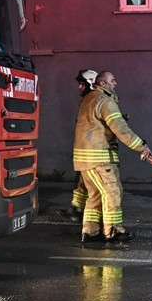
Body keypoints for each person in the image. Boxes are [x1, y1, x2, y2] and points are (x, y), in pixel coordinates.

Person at [72, 70, 152, 244]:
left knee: (94, 195)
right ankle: (113, 231)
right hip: (100, 159)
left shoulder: (87, 99)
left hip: (85, 159)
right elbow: (121, 129)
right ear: (102, 83)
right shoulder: (105, 101)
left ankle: (90, 231)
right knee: (112, 193)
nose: (115, 84)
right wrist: (142, 147)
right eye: (112, 81)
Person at [59, 69, 99, 222]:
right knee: (80, 181)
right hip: (85, 150)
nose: (79, 87)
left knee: (93, 185)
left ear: (90, 83)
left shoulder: (95, 100)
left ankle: (90, 219)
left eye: (82, 84)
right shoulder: (87, 100)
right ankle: (76, 209)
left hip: (94, 152)